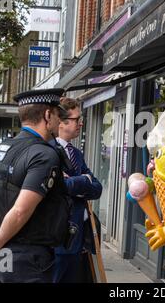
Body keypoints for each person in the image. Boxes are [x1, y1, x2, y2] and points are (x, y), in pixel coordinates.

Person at [0, 88, 72, 283]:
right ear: (47, 115)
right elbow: (20, 211)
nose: (60, 122)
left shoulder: (4, 148)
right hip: (26, 261)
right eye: (58, 115)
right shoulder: (44, 155)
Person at [52, 97, 102, 283]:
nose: (81, 123)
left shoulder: (76, 153)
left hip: (79, 237)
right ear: (62, 122)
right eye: (76, 119)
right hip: (59, 235)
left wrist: (78, 182)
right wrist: (84, 180)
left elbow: (96, 188)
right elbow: (61, 186)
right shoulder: (49, 150)